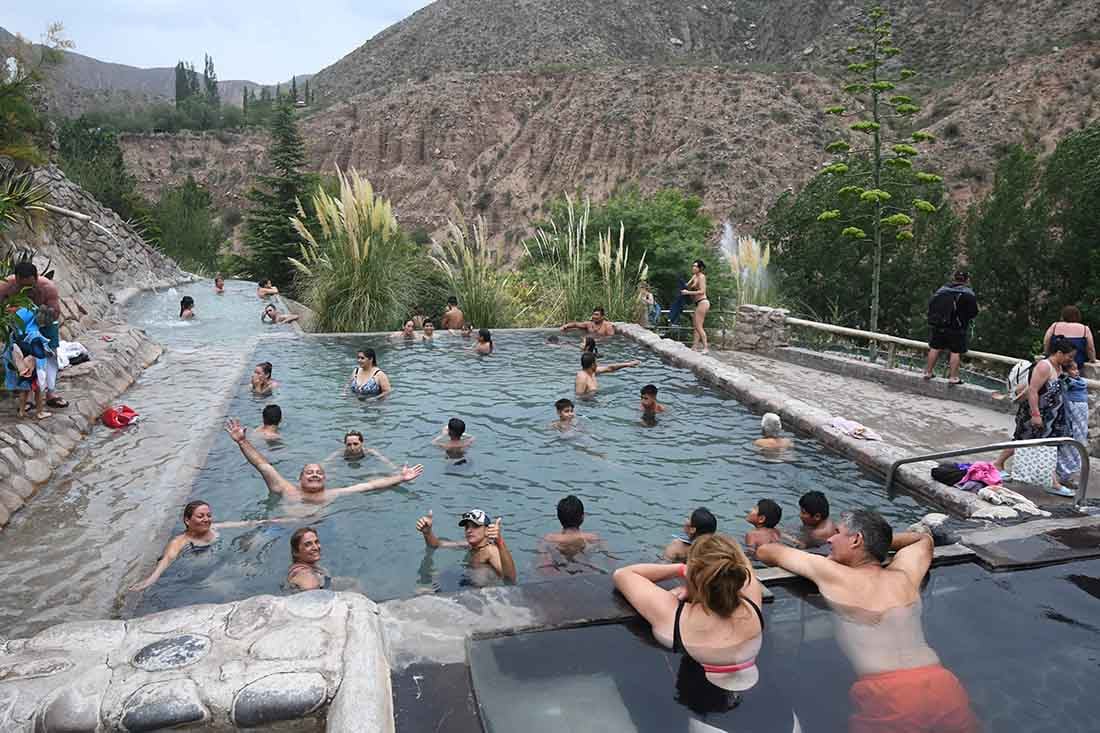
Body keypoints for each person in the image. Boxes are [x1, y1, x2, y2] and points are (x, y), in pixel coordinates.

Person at [757, 511, 979, 733]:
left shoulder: (833, 574)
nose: (829, 540)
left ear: (856, 540)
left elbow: (767, 551)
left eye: (837, 533)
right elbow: (923, 540)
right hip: (941, 683)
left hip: (891, 693)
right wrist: (878, 543)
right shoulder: (904, 575)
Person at [614, 533, 766, 694]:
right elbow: (743, 564)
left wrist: (681, 569)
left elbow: (623, 574)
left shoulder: (673, 616)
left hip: (697, 702)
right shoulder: (752, 603)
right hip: (761, 694)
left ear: (691, 574)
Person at [225, 418, 423, 504]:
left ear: (325, 479)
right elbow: (262, 465)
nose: (314, 474)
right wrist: (243, 442)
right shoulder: (286, 489)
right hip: (282, 527)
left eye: (318, 473)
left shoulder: (332, 493)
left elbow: (370, 485)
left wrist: (400, 477)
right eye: (310, 472)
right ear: (299, 478)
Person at [128, 500, 293, 591]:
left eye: (208, 515)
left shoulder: (215, 528)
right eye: (200, 516)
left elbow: (246, 523)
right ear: (187, 520)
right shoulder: (179, 542)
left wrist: (276, 521)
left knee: (256, 571)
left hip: (224, 563)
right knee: (229, 589)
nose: (206, 519)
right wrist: (150, 581)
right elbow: (166, 560)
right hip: (203, 577)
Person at [992, 337, 1077, 475]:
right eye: (1070, 356)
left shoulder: (1060, 367)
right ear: (1059, 352)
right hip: (1037, 412)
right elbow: (1033, 390)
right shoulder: (1044, 366)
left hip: (1051, 415)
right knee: (1022, 439)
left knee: (1043, 443)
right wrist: (1035, 414)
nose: (1071, 360)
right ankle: (998, 463)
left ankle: (1048, 476)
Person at [0, 262, 66, 408]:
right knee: (24, 360)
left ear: (36, 278)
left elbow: (55, 313)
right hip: (20, 326)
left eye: (30, 286)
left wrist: (41, 315)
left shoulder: (47, 288)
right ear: (16, 279)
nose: (26, 290)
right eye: (22, 286)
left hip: (46, 324)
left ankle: (51, 393)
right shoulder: (5, 286)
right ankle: (28, 397)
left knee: (50, 355)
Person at [415, 509, 517, 583]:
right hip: (466, 585)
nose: (469, 530)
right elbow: (436, 545)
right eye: (467, 526)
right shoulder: (469, 546)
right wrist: (427, 532)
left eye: (475, 526)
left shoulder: (490, 550)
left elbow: (510, 579)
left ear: (487, 530)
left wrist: (499, 542)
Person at [923, 270, 979, 384]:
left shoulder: (942, 290)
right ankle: (953, 377)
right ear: (967, 280)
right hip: (957, 328)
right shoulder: (968, 294)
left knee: (934, 348)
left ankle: (928, 372)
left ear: (953, 278)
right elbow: (974, 312)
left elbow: (931, 305)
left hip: (939, 326)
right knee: (955, 351)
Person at [537, 495, 610, 576]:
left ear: (559, 517)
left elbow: (543, 566)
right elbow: (611, 561)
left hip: (559, 575)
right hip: (585, 574)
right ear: (582, 517)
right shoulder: (593, 538)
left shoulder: (549, 539)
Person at [1057, 359, 1089, 486]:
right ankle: (1064, 475)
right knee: (1070, 443)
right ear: (1066, 371)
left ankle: (1067, 475)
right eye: (1072, 369)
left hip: (1081, 418)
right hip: (1072, 416)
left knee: (1078, 443)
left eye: (1076, 369)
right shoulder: (1066, 381)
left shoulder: (1080, 382)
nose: (1076, 372)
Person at [1043, 305, 1096, 369]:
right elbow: (1090, 348)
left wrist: (1047, 354)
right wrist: (1092, 359)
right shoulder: (1085, 329)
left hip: (1056, 361)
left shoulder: (1055, 326)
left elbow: (1046, 342)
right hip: (1076, 362)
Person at [324, 429, 397, 469]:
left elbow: (388, 463)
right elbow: (325, 463)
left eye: (355, 444)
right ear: (345, 444)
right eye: (349, 444)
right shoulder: (340, 453)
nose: (352, 447)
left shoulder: (370, 451)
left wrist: (396, 471)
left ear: (362, 443)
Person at [575, 352, 641, 396]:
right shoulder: (582, 377)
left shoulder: (592, 372)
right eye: (596, 362)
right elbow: (579, 397)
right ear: (592, 365)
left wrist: (628, 364)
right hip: (589, 405)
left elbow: (610, 368)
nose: (597, 364)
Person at [286, 527, 330, 591]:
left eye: (316, 542)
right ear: (296, 552)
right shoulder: (304, 574)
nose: (315, 547)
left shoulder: (308, 569)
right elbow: (314, 596)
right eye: (308, 544)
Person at [682, 260, 711, 353]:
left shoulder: (702, 277)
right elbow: (687, 285)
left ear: (700, 268)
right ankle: (694, 347)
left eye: (695, 266)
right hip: (698, 303)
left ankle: (706, 347)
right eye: (693, 266)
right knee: (695, 326)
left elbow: (702, 291)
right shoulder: (694, 276)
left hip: (703, 302)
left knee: (699, 326)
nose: (693, 268)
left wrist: (688, 292)